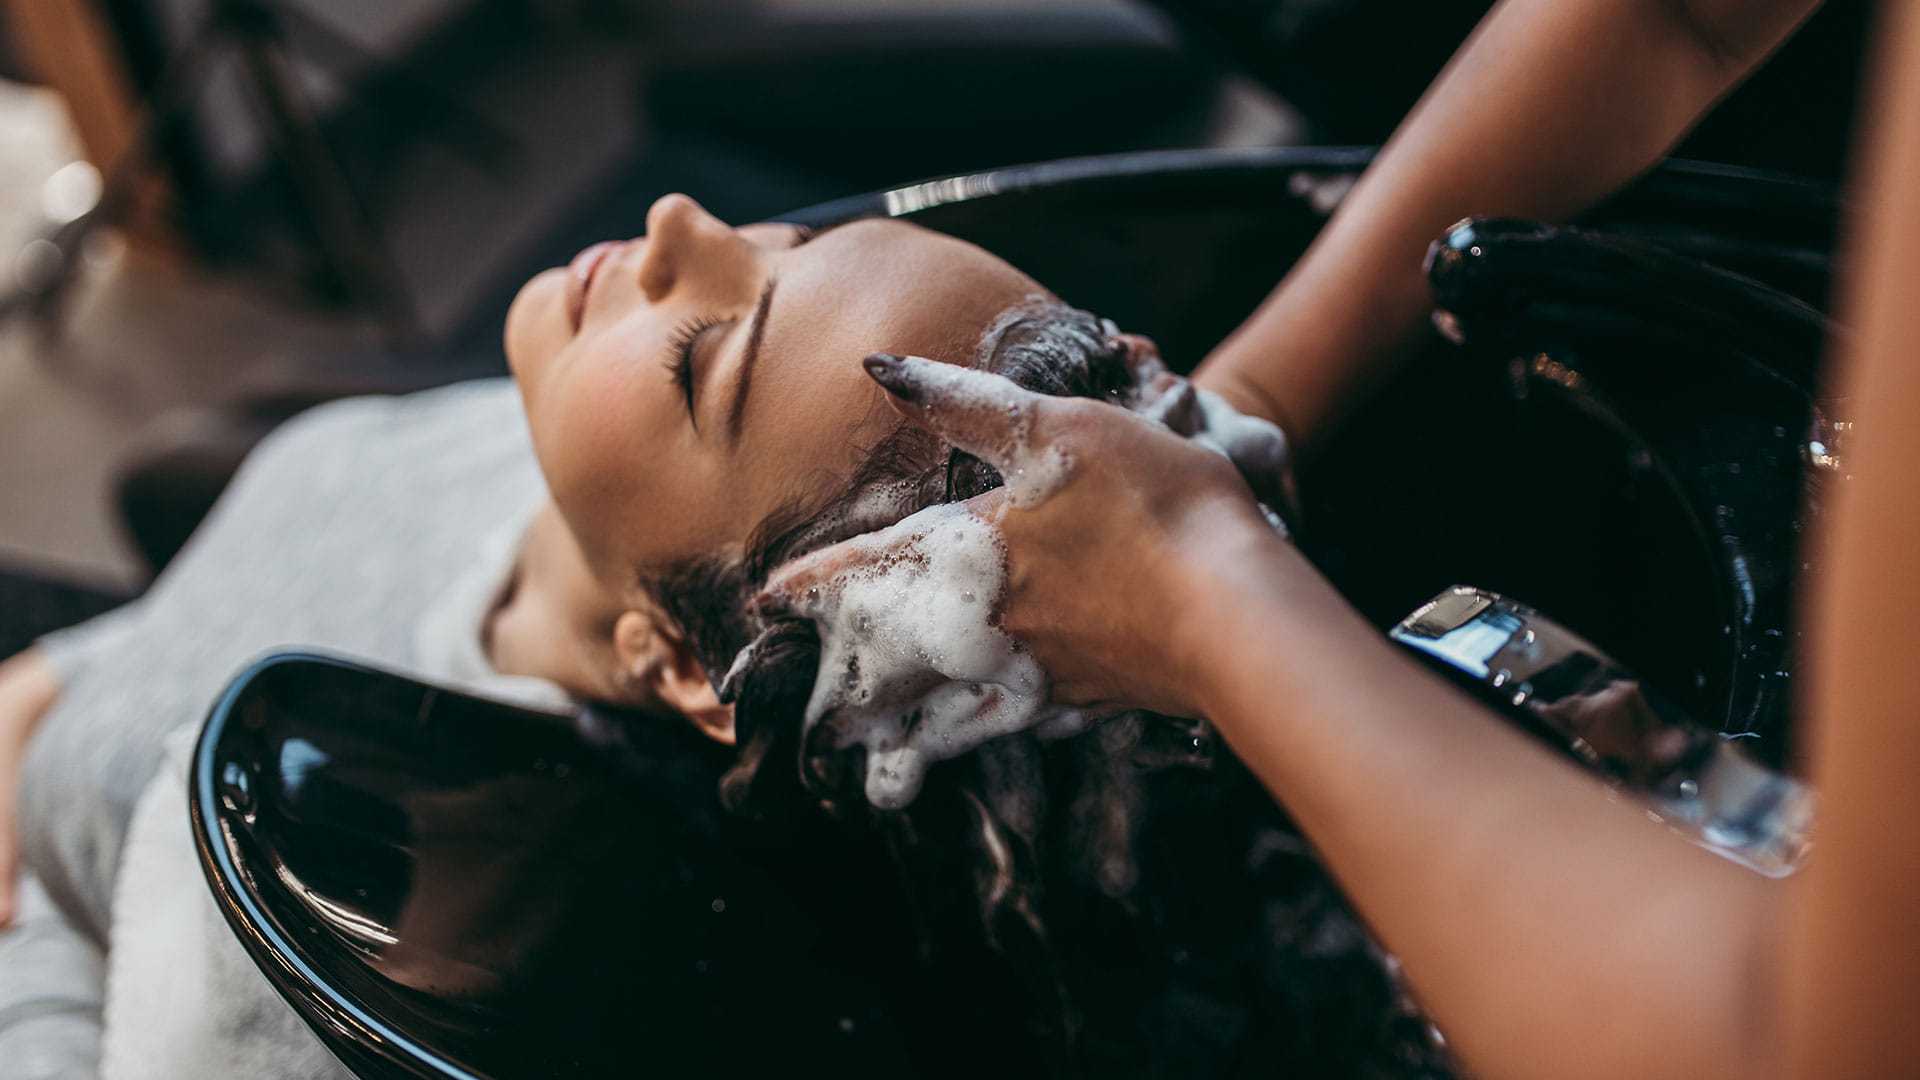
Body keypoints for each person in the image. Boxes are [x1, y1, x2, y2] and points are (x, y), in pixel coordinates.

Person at [0, 381, 733, 1078]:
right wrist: (56, 672)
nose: (674, 249)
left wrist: (25, 893)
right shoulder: (553, 415)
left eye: (699, 367)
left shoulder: (383, 902)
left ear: (685, 660)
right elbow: (244, 583)